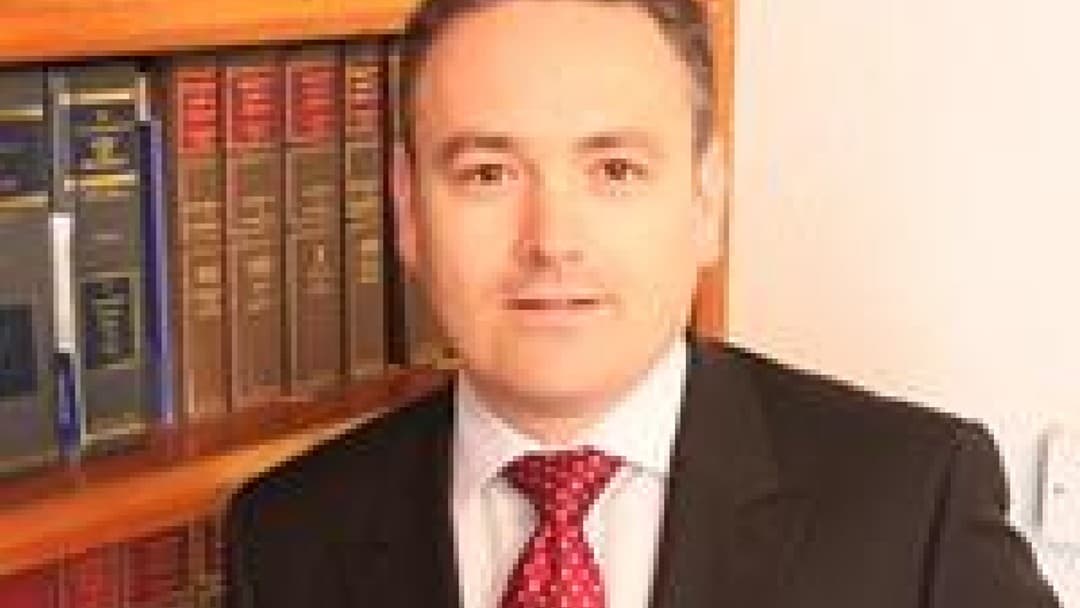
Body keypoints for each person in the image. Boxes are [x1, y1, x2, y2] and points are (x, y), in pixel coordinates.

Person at [225, 0, 1061, 606]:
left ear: (705, 199)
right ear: (409, 210)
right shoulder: (286, 536)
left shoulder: (914, 502)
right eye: (488, 173)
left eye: (615, 170)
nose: (552, 239)